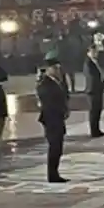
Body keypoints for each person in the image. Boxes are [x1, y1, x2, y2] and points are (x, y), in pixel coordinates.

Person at [37, 54, 70, 183]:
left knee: (58, 148)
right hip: (51, 119)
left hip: (58, 118)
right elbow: (48, 102)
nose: (58, 71)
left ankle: (55, 173)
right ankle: (52, 175)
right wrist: (61, 110)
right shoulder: (45, 84)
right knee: (54, 147)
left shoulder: (57, 81)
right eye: (55, 68)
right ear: (49, 69)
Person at [84, 45, 104, 138]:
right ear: (89, 52)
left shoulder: (95, 62)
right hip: (93, 90)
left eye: (96, 52)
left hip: (98, 90)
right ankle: (93, 131)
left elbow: (101, 75)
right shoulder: (88, 63)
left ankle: (97, 129)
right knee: (93, 111)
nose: (96, 54)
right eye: (94, 52)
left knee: (98, 111)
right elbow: (92, 77)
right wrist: (100, 85)